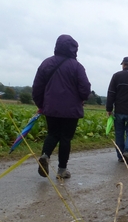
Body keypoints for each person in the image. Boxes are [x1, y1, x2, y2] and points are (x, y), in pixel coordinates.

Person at [32, 34, 91, 179]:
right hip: (71, 111)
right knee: (65, 138)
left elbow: (37, 88)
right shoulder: (77, 66)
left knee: (52, 134)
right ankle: (62, 170)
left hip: (51, 108)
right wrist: (82, 98)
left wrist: (42, 105)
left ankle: (45, 156)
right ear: (74, 49)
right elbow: (85, 89)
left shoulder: (46, 63)